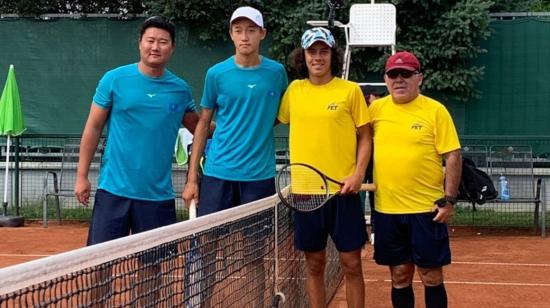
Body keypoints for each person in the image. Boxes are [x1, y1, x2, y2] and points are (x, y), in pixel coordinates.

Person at [182, 6, 287, 306]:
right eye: (238, 30)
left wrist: (258, 124)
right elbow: (203, 124)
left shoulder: (277, 73)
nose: (245, 36)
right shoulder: (216, 74)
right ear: (231, 34)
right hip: (217, 175)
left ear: (262, 34)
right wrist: (192, 179)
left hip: (259, 177)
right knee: (207, 250)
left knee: (255, 254)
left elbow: (282, 112)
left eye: (251, 30)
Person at [278, 27, 372, 308]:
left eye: (323, 51)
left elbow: (365, 136)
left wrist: (358, 174)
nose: (317, 57)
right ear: (302, 56)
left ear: (333, 55)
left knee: (351, 264)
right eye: (311, 52)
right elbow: (266, 120)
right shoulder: (294, 91)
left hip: (342, 192)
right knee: (314, 264)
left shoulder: (350, 91)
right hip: (306, 193)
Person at [369, 51, 462, 308]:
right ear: (386, 79)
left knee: (431, 275)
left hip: (426, 210)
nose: (399, 79)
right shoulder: (375, 110)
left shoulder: (435, 111)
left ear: (419, 78)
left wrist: (450, 199)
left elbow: (453, 155)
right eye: (393, 74)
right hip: (387, 210)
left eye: (406, 74)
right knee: (399, 275)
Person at [359, 85, 384, 243]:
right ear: (368, 98)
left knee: (377, 201)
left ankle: (376, 231)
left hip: (377, 167)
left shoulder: (379, 117)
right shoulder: (357, 119)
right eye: (376, 96)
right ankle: (360, 233)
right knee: (357, 201)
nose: (379, 98)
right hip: (360, 168)